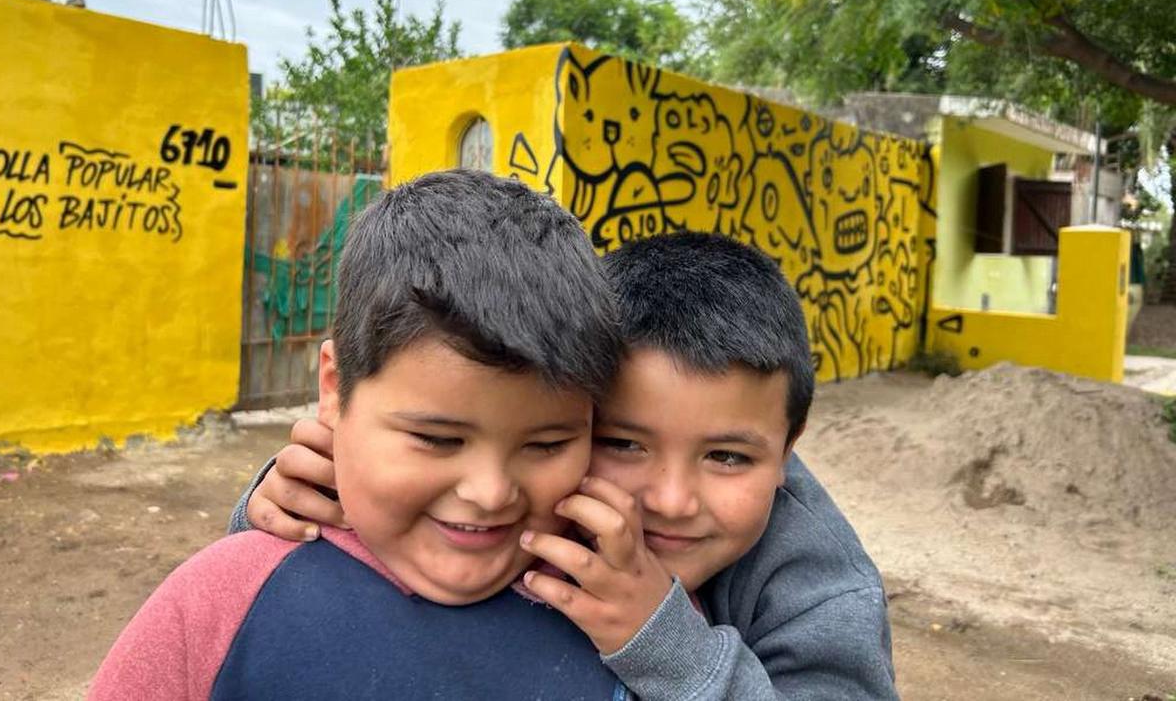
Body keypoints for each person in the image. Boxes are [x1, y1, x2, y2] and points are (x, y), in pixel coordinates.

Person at [239, 230, 899, 700]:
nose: (671, 500)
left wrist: (663, 642)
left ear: (787, 450)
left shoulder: (819, 583)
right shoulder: (523, 484)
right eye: (622, 444)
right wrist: (278, 504)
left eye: (727, 457)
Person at [89, 170, 627, 701]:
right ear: (333, 386)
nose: (490, 493)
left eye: (547, 445)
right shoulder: (219, 606)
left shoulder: (634, 616)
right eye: (437, 439)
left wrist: (669, 651)